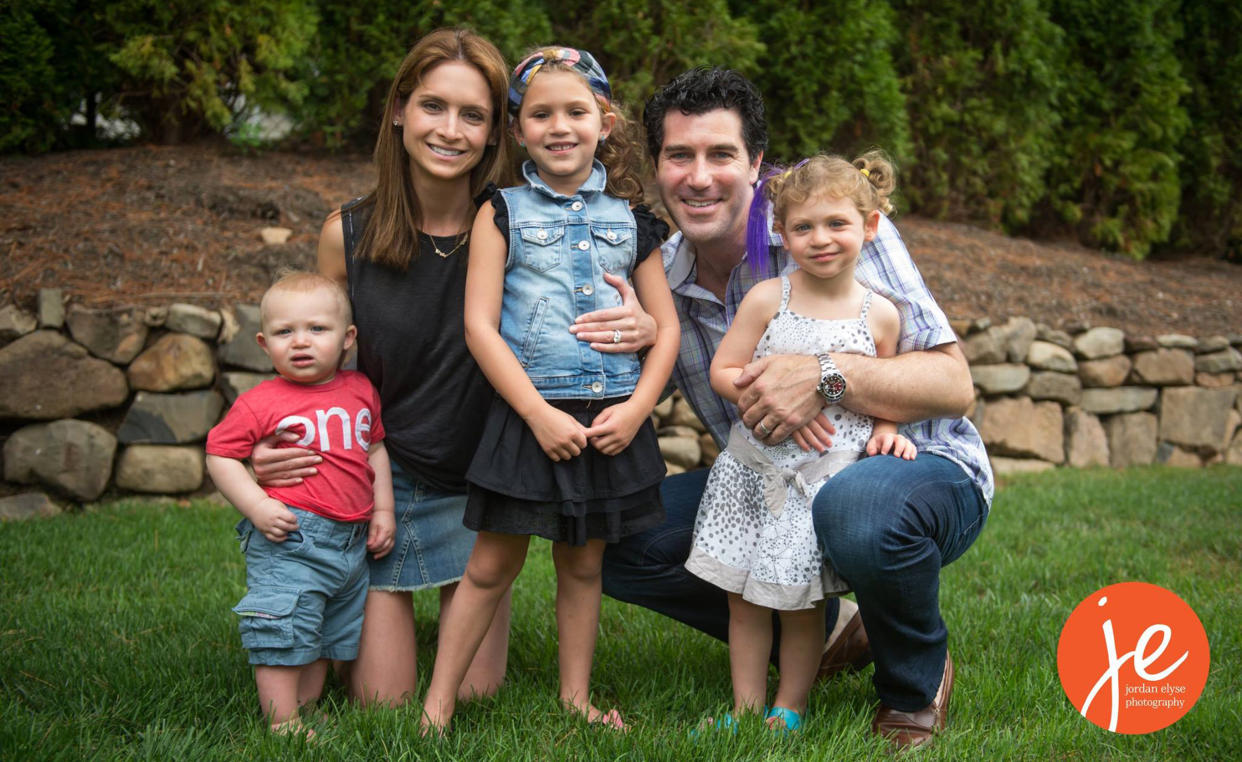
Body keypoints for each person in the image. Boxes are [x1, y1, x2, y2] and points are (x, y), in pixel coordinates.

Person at [585, 67, 993, 749]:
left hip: (907, 465)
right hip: (768, 479)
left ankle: (912, 681)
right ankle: (836, 631)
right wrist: (635, 333)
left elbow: (954, 385)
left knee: (855, 510)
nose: (699, 176)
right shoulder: (660, 273)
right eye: (679, 156)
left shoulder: (831, 227)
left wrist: (826, 376)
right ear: (656, 166)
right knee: (617, 538)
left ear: (757, 166)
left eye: (721, 155)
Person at [420, 46, 680, 733]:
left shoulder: (634, 219)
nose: (559, 126)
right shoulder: (498, 211)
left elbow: (668, 331)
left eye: (576, 111)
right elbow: (480, 326)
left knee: (584, 565)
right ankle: (436, 708)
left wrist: (637, 408)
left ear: (606, 121)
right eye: (541, 114)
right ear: (517, 131)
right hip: (530, 414)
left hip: (609, 416)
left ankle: (576, 699)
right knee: (490, 566)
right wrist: (535, 413)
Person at [253, 28, 516, 707]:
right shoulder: (347, 234)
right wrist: (272, 448)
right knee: (383, 701)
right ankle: (350, 607)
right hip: (382, 482)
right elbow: (318, 368)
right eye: (433, 106)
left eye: (474, 115)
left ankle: (458, 601)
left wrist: (635, 321)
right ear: (400, 110)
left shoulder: (518, 228)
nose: (450, 130)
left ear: (493, 134)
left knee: (480, 692)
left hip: (478, 479)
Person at [686, 153, 917, 733]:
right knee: (743, 598)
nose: (820, 239)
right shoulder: (769, 299)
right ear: (781, 235)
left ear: (869, 227)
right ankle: (742, 708)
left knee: (801, 602)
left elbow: (889, 394)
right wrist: (764, 395)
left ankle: (789, 707)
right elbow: (723, 370)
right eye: (803, 227)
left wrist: (889, 435)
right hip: (753, 470)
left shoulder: (881, 316)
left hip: (819, 484)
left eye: (837, 224)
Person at [205, 272, 396, 736]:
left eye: (317, 329)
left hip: (349, 543)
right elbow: (219, 453)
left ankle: (305, 708)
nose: (300, 342)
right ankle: (282, 720)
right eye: (284, 332)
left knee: (324, 633)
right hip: (292, 537)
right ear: (263, 342)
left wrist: (383, 510)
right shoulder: (261, 402)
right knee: (283, 628)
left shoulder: (360, 391)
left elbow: (374, 451)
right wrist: (255, 505)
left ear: (348, 338)